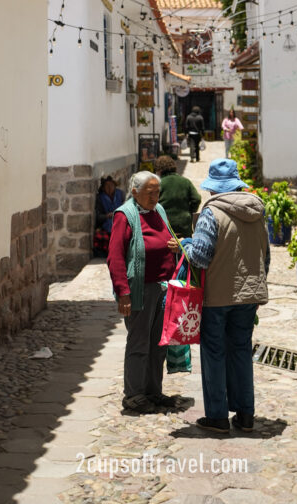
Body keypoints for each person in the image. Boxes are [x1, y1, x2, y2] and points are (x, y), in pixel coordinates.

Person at [182, 158, 269, 434]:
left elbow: (200, 257)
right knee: (242, 352)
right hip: (249, 296)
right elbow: (265, 257)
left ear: (213, 189)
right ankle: (245, 415)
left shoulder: (211, 213)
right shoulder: (256, 212)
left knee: (215, 353)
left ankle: (218, 416)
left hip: (217, 297)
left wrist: (185, 244)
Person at [107, 171, 180, 414]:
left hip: (163, 287)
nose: (155, 197)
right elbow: (115, 256)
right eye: (150, 193)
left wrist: (175, 245)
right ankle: (134, 395)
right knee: (139, 342)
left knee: (158, 343)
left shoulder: (159, 211)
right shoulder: (124, 216)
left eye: (157, 192)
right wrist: (123, 292)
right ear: (135, 192)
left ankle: (152, 391)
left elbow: (165, 237)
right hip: (141, 289)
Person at [156, 156, 202, 238]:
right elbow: (197, 199)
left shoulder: (159, 184)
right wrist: (189, 212)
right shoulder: (185, 182)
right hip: (184, 225)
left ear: (159, 170)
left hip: (164, 225)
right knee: (185, 248)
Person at [93, 176, 124, 257]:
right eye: (107, 186)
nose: (109, 188)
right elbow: (98, 217)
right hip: (107, 224)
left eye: (111, 185)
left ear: (114, 186)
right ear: (103, 188)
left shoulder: (120, 194)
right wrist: (107, 216)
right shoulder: (100, 198)